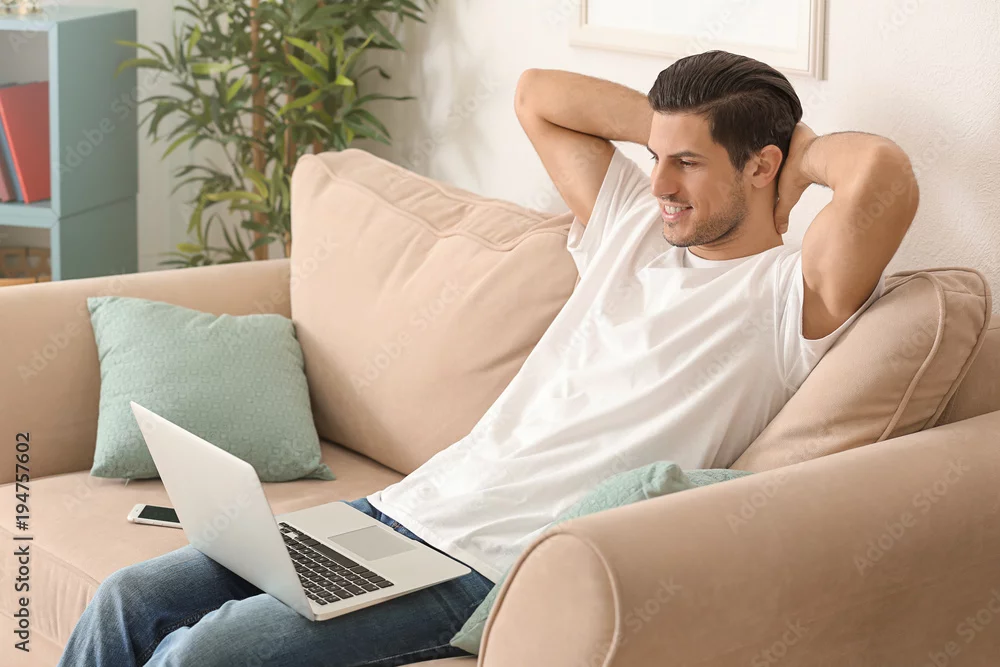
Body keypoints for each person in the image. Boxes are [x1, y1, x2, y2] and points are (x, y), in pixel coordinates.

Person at [58, 50, 919, 667]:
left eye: (688, 164)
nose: (660, 183)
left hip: (477, 566)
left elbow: (884, 174)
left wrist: (802, 155)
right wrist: (674, 133)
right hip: (402, 509)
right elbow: (538, 94)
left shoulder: (787, 295)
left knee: (200, 654)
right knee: (127, 600)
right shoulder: (633, 227)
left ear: (763, 167)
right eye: (656, 159)